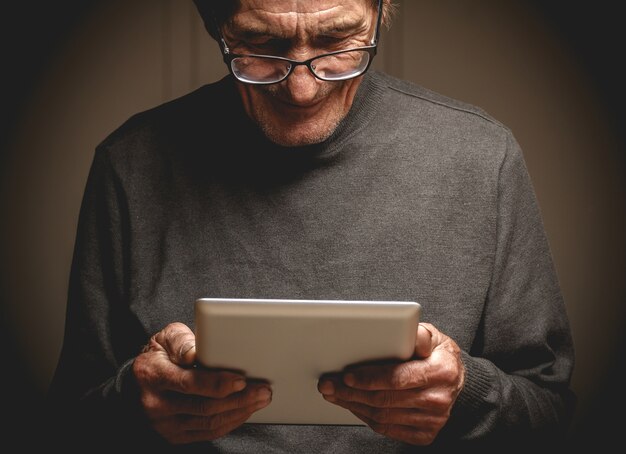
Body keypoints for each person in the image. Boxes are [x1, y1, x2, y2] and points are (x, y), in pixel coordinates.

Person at [46, 0, 576, 451]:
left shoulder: (482, 156)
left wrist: (466, 396)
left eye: (339, 41)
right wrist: (137, 403)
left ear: (380, 14)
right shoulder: (130, 163)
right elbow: (68, 423)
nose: (302, 89)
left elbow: (552, 414)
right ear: (217, 29)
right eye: (260, 46)